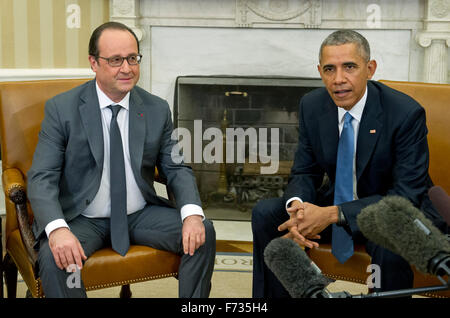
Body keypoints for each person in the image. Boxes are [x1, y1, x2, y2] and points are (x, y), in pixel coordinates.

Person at [251, 29, 447, 297]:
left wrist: (332, 214)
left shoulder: (405, 113)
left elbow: (405, 197)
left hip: (391, 211)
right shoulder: (312, 105)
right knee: (266, 214)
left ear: (370, 68)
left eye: (349, 67)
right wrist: (298, 209)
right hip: (338, 203)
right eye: (329, 69)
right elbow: (305, 171)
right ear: (320, 71)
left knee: (390, 238)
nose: (338, 79)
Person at [27, 21, 216, 298]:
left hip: (139, 214)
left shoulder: (156, 109)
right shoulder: (62, 109)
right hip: (82, 217)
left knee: (203, 233)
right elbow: (42, 175)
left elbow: (175, 166)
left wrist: (191, 215)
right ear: (94, 63)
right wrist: (57, 230)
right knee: (58, 260)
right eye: (115, 60)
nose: (126, 68)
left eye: (132, 58)